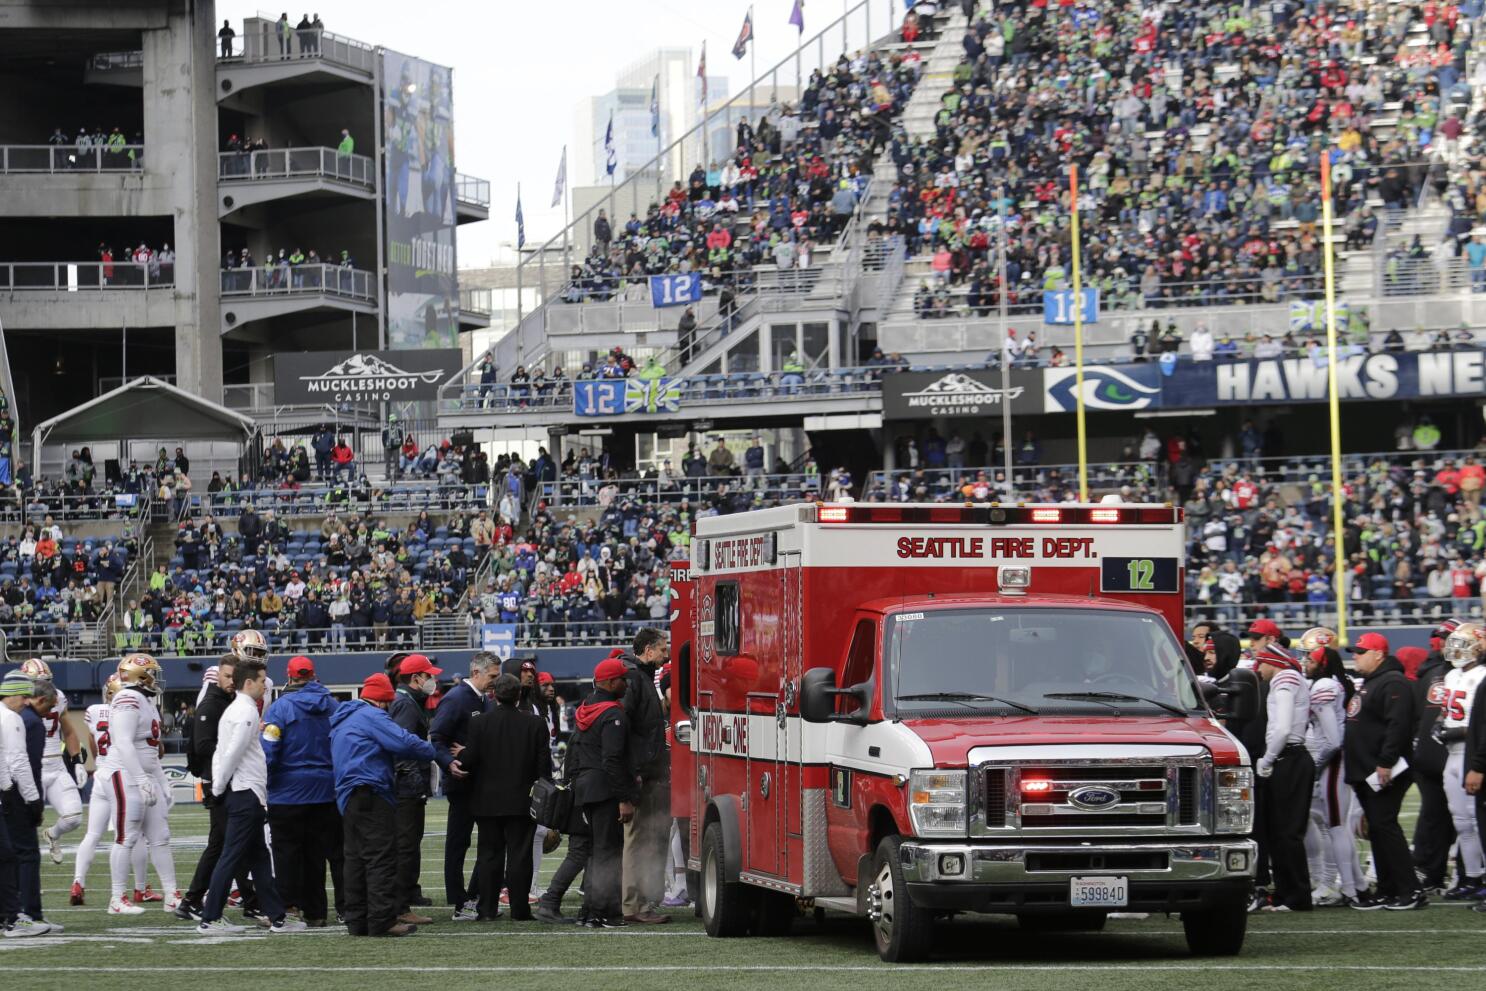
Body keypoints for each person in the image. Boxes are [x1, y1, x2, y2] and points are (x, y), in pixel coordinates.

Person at [331, 673, 461, 937]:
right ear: (382, 701)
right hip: (372, 792)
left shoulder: (343, 718)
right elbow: (403, 741)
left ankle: (357, 919)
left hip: (347, 795)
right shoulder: (373, 716)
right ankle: (381, 919)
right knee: (381, 858)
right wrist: (431, 751)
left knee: (354, 859)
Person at [198, 656, 304, 935]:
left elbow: (225, 752)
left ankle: (277, 916)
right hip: (245, 794)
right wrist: (219, 788)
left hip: (247, 793)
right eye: (261, 681)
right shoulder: (245, 712)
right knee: (231, 856)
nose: (264, 687)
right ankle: (210, 917)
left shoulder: (238, 710)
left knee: (258, 858)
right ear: (248, 682)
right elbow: (230, 753)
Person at [461, 674, 552, 921]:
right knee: (520, 856)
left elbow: (469, 761)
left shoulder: (480, 723)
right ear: (519, 694)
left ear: (494, 694)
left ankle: (487, 909)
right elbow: (544, 768)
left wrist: (462, 754)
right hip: (522, 801)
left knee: (489, 855)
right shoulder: (535, 724)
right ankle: (520, 909)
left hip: (486, 800)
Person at [1344, 632, 1423, 910]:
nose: (1355, 655)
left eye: (1361, 651)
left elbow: (1397, 725)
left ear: (1378, 654)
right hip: (1366, 770)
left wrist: (1386, 761)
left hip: (1383, 770)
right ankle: (1388, 889)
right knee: (1377, 830)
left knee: (1385, 827)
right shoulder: (1372, 682)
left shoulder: (1393, 681)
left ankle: (1410, 890)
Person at [261, 656, 343, 927]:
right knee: (316, 854)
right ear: (313, 675)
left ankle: (289, 907)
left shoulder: (280, 707)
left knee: (287, 855)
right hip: (325, 790)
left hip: (288, 792)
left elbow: (270, 750)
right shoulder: (332, 705)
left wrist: (266, 779)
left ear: (290, 675)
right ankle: (317, 911)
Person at [178, 657, 260, 923]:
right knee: (232, 846)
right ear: (217, 677)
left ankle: (193, 900)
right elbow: (202, 745)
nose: (230, 681)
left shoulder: (228, 703)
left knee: (223, 844)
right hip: (219, 782)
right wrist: (225, 765)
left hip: (224, 780)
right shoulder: (212, 704)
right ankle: (248, 901)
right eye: (226, 676)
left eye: (232, 676)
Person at [107, 654, 180, 917]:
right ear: (139, 675)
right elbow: (124, 743)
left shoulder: (145, 700)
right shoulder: (127, 698)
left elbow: (149, 750)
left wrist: (161, 781)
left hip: (145, 773)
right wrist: (140, 779)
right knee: (126, 837)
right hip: (127, 774)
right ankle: (116, 898)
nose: (156, 678)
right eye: (151, 672)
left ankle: (172, 895)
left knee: (160, 836)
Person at [429, 653, 498, 920]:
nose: (495, 681)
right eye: (492, 676)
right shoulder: (456, 699)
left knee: (490, 842)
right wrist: (449, 763)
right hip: (462, 783)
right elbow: (436, 738)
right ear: (476, 672)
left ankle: (476, 895)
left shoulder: (483, 700)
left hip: (482, 782)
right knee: (459, 843)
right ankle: (460, 902)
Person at [571, 657, 637, 928]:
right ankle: (603, 912)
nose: (626, 683)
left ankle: (589, 911)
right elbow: (612, 759)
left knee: (596, 851)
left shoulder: (586, 707)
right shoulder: (613, 714)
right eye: (623, 679)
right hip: (605, 790)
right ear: (610, 682)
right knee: (608, 853)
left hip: (586, 788)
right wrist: (624, 797)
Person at [73, 675, 149, 908]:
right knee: (130, 835)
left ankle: (78, 881)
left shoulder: (94, 711)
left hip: (102, 776)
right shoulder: (130, 708)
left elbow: (92, 743)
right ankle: (139, 888)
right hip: (121, 776)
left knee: (93, 834)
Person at [1298, 631, 1361, 906]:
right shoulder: (1333, 682)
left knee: (1336, 826)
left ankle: (1348, 889)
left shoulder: (1324, 685)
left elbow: (1333, 741)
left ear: (1321, 662)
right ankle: (1355, 883)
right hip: (1334, 760)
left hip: (1334, 761)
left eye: (1310, 659)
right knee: (1336, 826)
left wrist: (1316, 765)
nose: (1306, 663)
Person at [1252, 643, 1314, 912]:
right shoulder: (1285, 678)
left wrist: (1267, 759)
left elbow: (1283, 728)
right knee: (1278, 832)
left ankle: (1297, 895)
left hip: (1289, 757)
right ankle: (1285, 892)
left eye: (1260, 663)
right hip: (1286, 757)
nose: (1258, 669)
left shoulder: (1285, 678)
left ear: (1271, 661)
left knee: (1288, 832)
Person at [618, 630, 671, 924]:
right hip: (638, 774)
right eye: (663, 650)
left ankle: (638, 902)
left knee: (643, 839)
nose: (666, 656)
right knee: (636, 841)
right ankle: (633, 906)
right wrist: (633, 775)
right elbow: (623, 729)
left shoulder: (640, 677)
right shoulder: (634, 678)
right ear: (648, 650)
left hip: (645, 772)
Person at [388, 653, 442, 923]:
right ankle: (400, 907)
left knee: (409, 844)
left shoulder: (409, 702)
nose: (433, 680)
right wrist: (415, 784)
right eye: (429, 675)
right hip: (407, 787)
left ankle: (405, 897)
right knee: (406, 846)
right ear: (416, 678)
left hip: (409, 784)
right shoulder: (406, 705)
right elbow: (403, 747)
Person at [1436, 623, 1486, 899]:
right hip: (1452, 754)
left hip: (1472, 751)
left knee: (1479, 821)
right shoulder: (1452, 675)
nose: (1455, 649)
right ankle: (1471, 878)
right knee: (1462, 821)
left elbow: (1480, 722)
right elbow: (1448, 712)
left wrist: (1460, 730)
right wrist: (1440, 725)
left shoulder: (1482, 675)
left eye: (1462, 643)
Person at [0, 671, 51, 936]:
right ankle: (14, 918)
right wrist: (32, 799)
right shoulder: (10, 719)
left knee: (7, 855)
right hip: (8, 795)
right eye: (23, 697)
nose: (25, 703)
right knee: (9, 856)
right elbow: (17, 761)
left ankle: (10, 915)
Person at [20, 659, 83, 868]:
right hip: (27, 768)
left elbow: (69, 731)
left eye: (48, 682)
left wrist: (78, 761)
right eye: (41, 684)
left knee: (74, 816)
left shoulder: (59, 698)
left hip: (56, 766)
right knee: (24, 831)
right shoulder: (15, 705)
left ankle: (53, 835)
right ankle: (28, 883)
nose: (46, 689)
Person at [1412, 619, 1460, 891]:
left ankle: (1467, 875)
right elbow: (1418, 716)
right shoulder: (1430, 672)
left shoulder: (1475, 674)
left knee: (1464, 820)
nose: (1441, 643)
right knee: (1433, 816)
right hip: (1430, 758)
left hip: (1460, 756)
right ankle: (1431, 871)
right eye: (1439, 638)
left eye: (1447, 637)